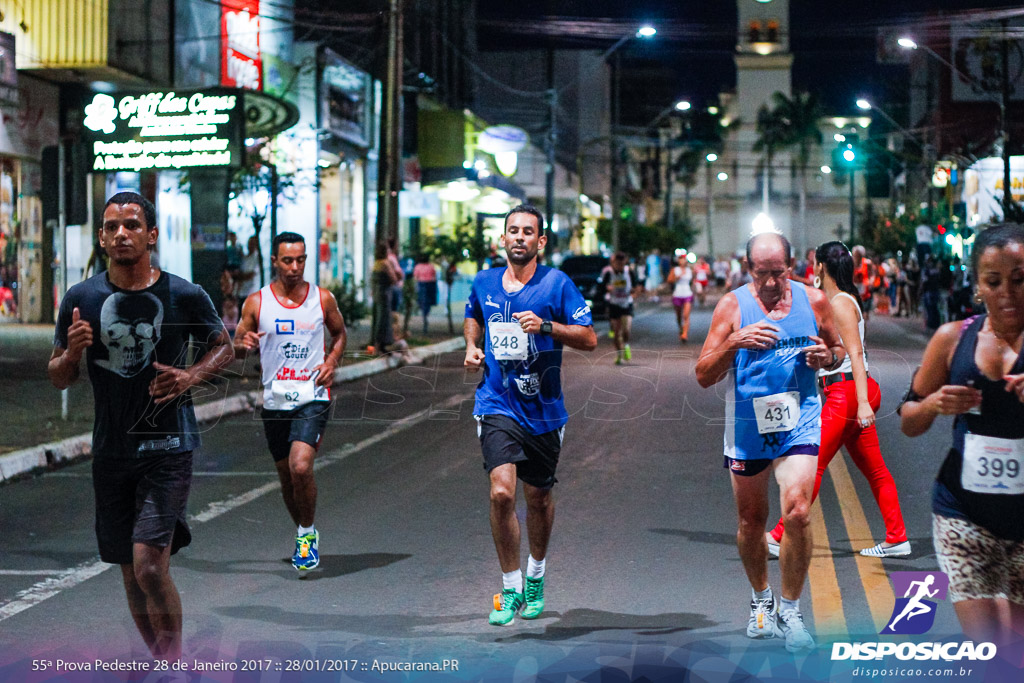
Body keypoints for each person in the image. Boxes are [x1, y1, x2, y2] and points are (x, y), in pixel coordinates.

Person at [48, 192, 233, 661]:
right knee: (130, 571)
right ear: (102, 237)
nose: (121, 234)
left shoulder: (183, 294)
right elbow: (59, 376)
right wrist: (71, 353)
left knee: (150, 567)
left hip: (169, 445)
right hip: (111, 450)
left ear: (151, 235)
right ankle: (162, 662)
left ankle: (172, 665)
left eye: (132, 225)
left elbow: (224, 346)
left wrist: (191, 375)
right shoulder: (81, 298)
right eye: (112, 227)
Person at [695, 231, 844, 653]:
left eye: (779, 273)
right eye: (762, 274)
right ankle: (762, 598)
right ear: (748, 270)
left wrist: (826, 358)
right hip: (747, 426)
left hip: (800, 418)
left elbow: (836, 350)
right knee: (751, 522)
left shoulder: (813, 301)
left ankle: (792, 611)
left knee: (797, 512)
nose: (771, 283)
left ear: (792, 267)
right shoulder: (732, 305)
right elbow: (703, 373)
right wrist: (733, 341)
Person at [464, 204, 596, 626]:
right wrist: (471, 345)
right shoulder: (484, 281)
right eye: (513, 231)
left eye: (528, 232)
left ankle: (536, 575)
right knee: (501, 493)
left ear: (540, 241)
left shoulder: (557, 284)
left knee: (537, 498)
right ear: (502, 239)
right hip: (497, 402)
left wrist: (546, 327)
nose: (519, 237)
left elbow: (590, 338)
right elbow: (473, 315)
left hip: (543, 410)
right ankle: (510, 584)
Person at [900, 222, 1024, 649]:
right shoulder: (951, 339)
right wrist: (934, 405)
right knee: (992, 652)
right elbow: (908, 419)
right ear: (977, 287)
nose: (1007, 292)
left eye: (1020, 279)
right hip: (962, 515)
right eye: (994, 281)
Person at [766, 241, 910, 558]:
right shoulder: (835, 299)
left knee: (811, 464)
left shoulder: (842, 303)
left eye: (814, 264)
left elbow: (856, 354)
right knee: (876, 471)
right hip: (844, 390)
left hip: (847, 391)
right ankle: (897, 537)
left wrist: (861, 402)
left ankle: (778, 535)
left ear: (820, 267)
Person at [234, 231, 347, 572]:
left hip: (312, 395)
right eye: (287, 260)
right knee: (286, 477)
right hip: (275, 400)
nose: (295, 267)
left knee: (301, 466)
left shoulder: (322, 299)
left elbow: (340, 333)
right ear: (274, 261)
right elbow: (238, 340)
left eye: (300, 260)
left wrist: (331, 362)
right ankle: (302, 529)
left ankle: (306, 535)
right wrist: (244, 342)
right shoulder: (256, 302)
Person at [601, 252, 634, 364]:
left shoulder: (628, 271)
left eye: (621, 262)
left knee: (626, 330)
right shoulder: (608, 273)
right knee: (616, 333)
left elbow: (637, 285)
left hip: (626, 304)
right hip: (614, 304)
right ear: (613, 262)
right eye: (617, 262)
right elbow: (601, 287)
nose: (619, 265)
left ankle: (626, 346)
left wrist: (634, 294)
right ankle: (619, 354)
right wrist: (607, 289)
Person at [667, 253, 694, 342]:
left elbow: (691, 282)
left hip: (687, 294)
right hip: (677, 294)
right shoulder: (675, 270)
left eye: (683, 259)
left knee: (686, 315)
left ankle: (685, 334)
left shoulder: (689, 270)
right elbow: (669, 280)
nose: (682, 261)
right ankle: (680, 328)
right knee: (679, 316)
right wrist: (678, 276)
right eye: (680, 259)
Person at [413, 254, 439, 335]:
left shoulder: (418, 266)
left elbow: (415, 277)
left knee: (422, 301)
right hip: (429, 285)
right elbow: (434, 277)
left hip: (422, 285)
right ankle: (425, 315)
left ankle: (423, 314)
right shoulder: (431, 266)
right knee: (427, 302)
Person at [236, 235, 261, 299]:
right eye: (249, 243)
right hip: (241, 293)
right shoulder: (245, 258)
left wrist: (238, 276)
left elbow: (251, 275)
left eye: (252, 243)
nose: (250, 245)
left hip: (251, 293)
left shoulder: (257, 258)